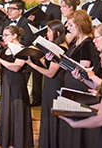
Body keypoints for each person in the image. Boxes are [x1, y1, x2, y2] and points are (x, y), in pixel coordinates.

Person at [0, 25, 34, 148]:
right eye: (3, 35)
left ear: (14, 36)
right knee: (6, 112)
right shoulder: (5, 50)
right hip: (6, 84)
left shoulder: (22, 50)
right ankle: (8, 142)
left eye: (6, 35)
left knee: (17, 112)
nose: (3, 38)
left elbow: (16, 67)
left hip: (17, 85)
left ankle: (19, 142)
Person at [25, 20, 68, 148]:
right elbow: (50, 66)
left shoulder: (61, 48)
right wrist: (41, 57)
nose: (47, 34)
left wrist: (32, 64)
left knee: (53, 116)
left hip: (56, 84)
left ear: (57, 33)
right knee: (48, 114)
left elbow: (50, 73)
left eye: (49, 31)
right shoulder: (56, 47)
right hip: (51, 84)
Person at [59, 9, 97, 148]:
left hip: (79, 85)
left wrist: (71, 66)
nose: (67, 28)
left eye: (70, 25)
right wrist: (57, 60)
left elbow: (84, 67)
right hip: (70, 82)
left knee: (79, 121)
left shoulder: (87, 43)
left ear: (79, 25)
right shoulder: (75, 42)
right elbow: (67, 65)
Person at [28, 0, 62, 106]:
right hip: (38, 40)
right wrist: (31, 21)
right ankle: (37, 98)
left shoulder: (56, 8)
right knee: (37, 69)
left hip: (51, 41)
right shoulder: (36, 8)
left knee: (50, 66)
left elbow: (57, 24)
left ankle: (49, 96)